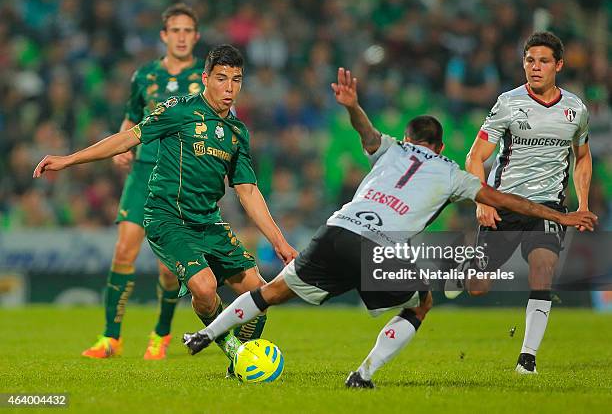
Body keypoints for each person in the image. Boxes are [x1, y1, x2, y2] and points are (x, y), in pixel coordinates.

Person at [181, 67, 597, 388]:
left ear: (408, 137)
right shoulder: (452, 172)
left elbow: (365, 132)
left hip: (337, 228)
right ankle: (362, 374)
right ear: (439, 146)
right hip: (378, 247)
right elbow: (506, 200)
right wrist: (561, 216)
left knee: (271, 292)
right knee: (421, 304)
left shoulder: (391, 149)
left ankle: (206, 335)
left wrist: (350, 105)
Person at [34, 44, 298, 375]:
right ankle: (231, 348)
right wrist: (69, 159)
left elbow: (247, 190)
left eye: (236, 80)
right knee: (203, 287)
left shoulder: (237, 132)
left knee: (261, 294)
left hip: (209, 222)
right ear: (205, 79)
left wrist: (279, 241)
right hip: (167, 219)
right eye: (221, 79)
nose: (229, 88)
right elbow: (128, 138)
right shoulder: (178, 110)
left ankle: (241, 360)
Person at [445, 31, 593, 375]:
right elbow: (474, 156)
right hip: (505, 204)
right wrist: (482, 200)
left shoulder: (575, 109)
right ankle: (466, 267)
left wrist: (582, 204)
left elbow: (582, 157)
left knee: (543, 271)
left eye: (543, 61)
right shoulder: (508, 103)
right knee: (479, 287)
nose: (535, 67)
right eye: (529, 60)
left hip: (548, 206)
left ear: (559, 65)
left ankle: (527, 359)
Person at [81, 3, 206, 360]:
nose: (181, 37)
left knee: (169, 268)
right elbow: (131, 118)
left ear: (195, 37)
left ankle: (162, 332)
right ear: (164, 36)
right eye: (175, 31)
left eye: (187, 31)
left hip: (181, 177)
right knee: (124, 251)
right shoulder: (144, 76)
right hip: (143, 171)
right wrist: (122, 146)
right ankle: (110, 338)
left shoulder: (208, 75)